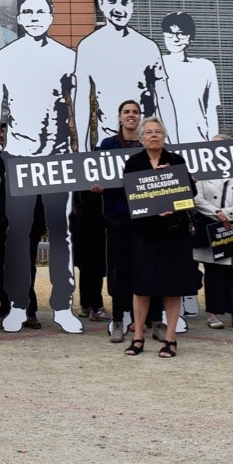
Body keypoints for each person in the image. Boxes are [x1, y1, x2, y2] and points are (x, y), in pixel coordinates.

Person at [0, 0, 80, 334]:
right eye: (27, 11)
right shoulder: (5, 57)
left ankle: (63, 306)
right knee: (17, 236)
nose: (34, 17)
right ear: (20, 18)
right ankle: (16, 306)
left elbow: (79, 106)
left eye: (41, 11)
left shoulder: (67, 57)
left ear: (51, 16)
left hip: (57, 158)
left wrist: (78, 147)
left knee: (60, 234)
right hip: (18, 157)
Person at [121, 117, 198, 359]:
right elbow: (130, 197)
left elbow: (190, 194)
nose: (154, 135)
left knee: (173, 287)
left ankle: (170, 338)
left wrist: (175, 189)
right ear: (141, 138)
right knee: (142, 287)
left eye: (158, 132)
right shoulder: (134, 163)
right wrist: (153, 194)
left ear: (164, 136)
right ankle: (138, 336)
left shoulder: (176, 161)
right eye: (149, 132)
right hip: (146, 233)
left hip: (174, 231)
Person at [74, 0, 172, 146]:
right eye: (112, 1)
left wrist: (174, 145)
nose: (119, 9)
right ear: (101, 4)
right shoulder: (88, 47)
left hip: (146, 143)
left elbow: (163, 99)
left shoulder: (148, 47)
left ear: (131, 6)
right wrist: (83, 150)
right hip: (108, 143)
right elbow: (82, 100)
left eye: (124, 2)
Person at [192, 140, 233, 329]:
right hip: (212, 227)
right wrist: (217, 213)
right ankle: (213, 314)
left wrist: (228, 214)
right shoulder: (203, 174)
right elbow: (197, 198)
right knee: (213, 272)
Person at [99, 100, 144, 339]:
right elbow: (92, 175)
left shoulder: (147, 143)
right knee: (118, 269)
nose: (131, 115)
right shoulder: (108, 145)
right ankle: (118, 319)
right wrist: (95, 186)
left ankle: (148, 319)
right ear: (119, 117)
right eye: (127, 112)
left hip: (146, 217)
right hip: (117, 215)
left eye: (135, 112)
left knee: (146, 267)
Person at [159, 11, 220, 143]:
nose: (175, 39)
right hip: (165, 139)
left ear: (190, 37)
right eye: (170, 34)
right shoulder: (156, 64)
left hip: (198, 138)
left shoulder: (205, 67)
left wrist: (213, 138)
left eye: (180, 33)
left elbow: (211, 108)